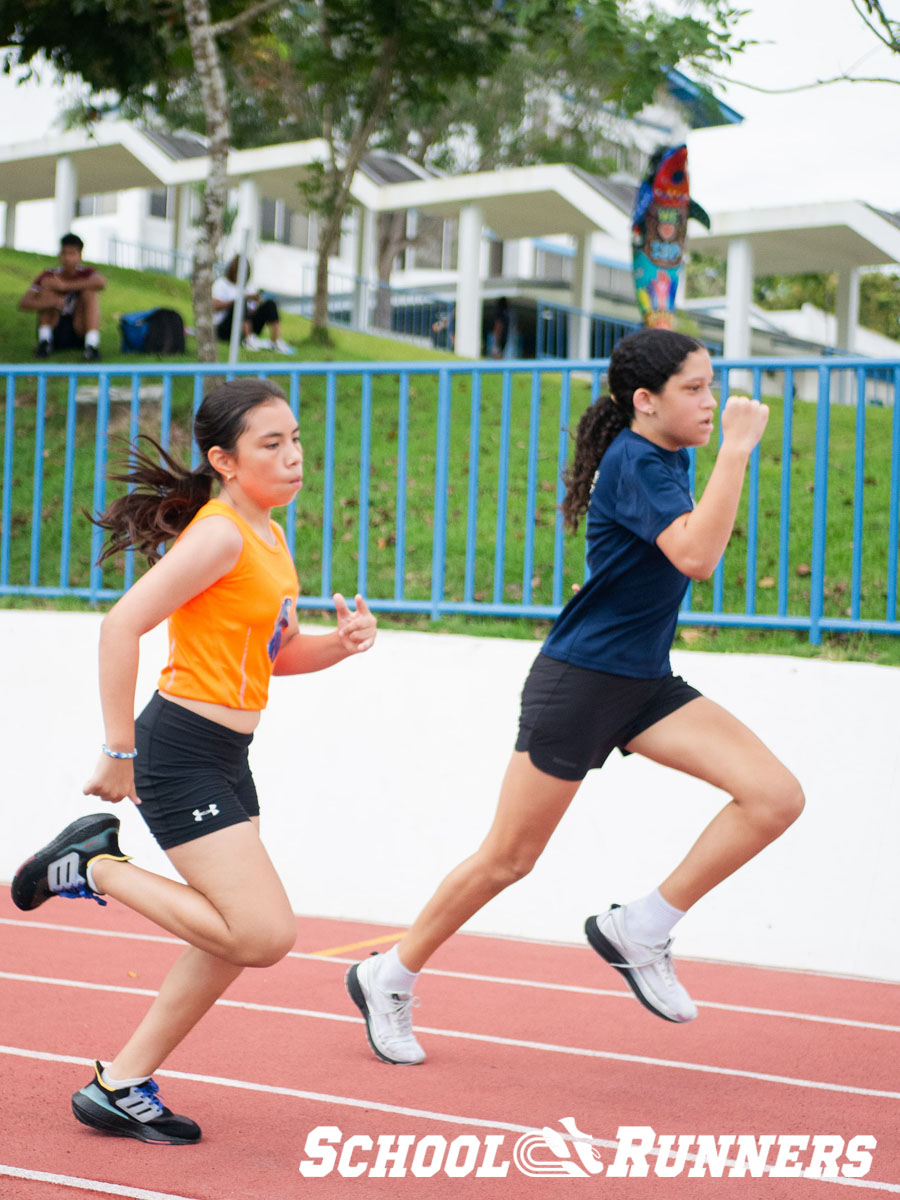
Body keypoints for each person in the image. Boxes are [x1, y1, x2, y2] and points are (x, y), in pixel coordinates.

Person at [345, 327, 804, 1066]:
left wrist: (720, 453)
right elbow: (696, 556)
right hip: (581, 685)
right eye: (695, 388)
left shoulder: (665, 455)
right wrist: (740, 452)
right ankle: (387, 974)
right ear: (645, 402)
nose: (712, 401)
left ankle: (642, 928)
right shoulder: (635, 460)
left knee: (775, 796)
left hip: (644, 684)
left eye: (712, 385)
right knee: (507, 858)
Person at [11, 378, 376, 1143]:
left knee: (225, 939)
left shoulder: (269, 535)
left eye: (296, 438)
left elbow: (271, 656)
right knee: (263, 934)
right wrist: (120, 750)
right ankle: (93, 865)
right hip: (177, 750)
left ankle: (121, 1082)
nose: (293, 455)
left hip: (227, 753)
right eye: (270, 444)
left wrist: (337, 648)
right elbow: (121, 625)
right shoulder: (218, 534)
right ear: (225, 459)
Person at [19, 232, 106, 362]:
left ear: (79, 256)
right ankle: (45, 341)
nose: (67, 258)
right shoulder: (49, 274)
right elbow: (24, 303)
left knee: (90, 292)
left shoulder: (87, 273)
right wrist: (51, 302)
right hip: (55, 325)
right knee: (47, 289)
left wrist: (64, 286)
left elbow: (101, 282)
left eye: (71, 254)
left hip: (78, 327)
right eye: (64, 253)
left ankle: (91, 345)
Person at [212, 255, 294, 353]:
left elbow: (250, 311)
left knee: (270, 304)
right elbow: (214, 306)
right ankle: (248, 340)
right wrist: (238, 300)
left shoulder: (248, 288)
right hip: (225, 328)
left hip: (246, 324)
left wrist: (257, 302)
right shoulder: (221, 284)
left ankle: (276, 341)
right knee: (240, 303)